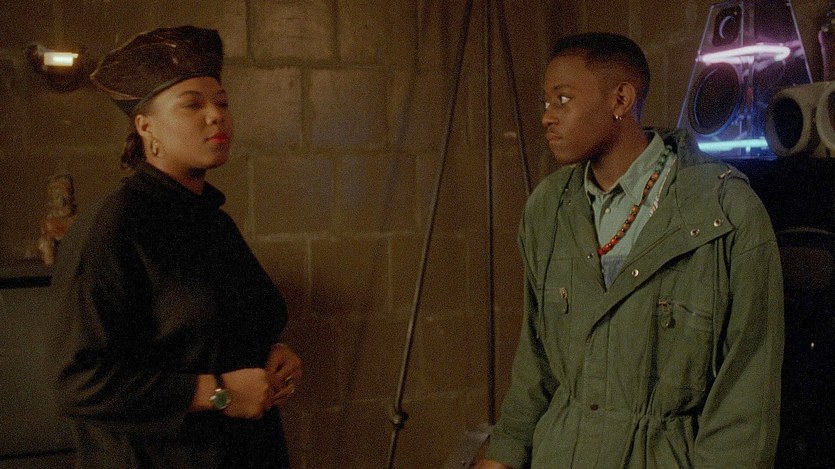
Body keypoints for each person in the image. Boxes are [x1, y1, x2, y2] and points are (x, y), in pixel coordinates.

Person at [476, 32, 784, 468]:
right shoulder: (548, 209)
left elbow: (747, 393)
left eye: (563, 99)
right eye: (546, 102)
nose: (546, 117)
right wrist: (502, 456)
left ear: (620, 99)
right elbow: (535, 362)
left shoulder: (724, 212)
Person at [49, 25, 302, 469]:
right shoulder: (115, 226)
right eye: (192, 104)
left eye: (222, 103)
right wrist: (220, 393)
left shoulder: (213, 220)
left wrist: (274, 355)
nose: (216, 116)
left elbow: (219, 329)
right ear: (145, 127)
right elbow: (76, 381)